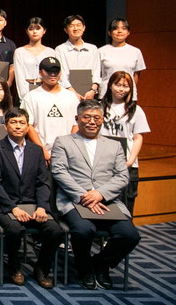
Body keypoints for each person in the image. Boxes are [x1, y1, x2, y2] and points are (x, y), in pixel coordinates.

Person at [50, 100, 141, 290]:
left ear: (102, 120)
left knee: (130, 235)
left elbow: (122, 176)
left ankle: (101, 263)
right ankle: (84, 269)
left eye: (96, 118)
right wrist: (84, 196)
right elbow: (59, 172)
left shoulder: (114, 145)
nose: (92, 122)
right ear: (77, 118)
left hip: (107, 201)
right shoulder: (63, 142)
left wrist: (100, 194)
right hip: (75, 200)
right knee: (83, 230)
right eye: (87, 117)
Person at [0, 107, 62, 288]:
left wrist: (42, 207)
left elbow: (43, 183)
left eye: (22, 123)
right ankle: (14, 267)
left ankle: (42, 268)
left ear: (28, 127)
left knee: (55, 230)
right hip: (4, 206)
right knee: (14, 229)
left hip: (33, 205)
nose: (18, 126)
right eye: (13, 122)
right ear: (5, 126)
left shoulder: (36, 151)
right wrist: (13, 208)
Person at [100, 71, 150, 216]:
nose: (121, 89)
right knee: (103, 205)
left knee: (125, 208)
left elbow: (138, 137)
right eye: (118, 85)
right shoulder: (100, 107)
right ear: (110, 85)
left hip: (127, 164)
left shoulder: (136, 110)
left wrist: (130, 161)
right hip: (103, 163)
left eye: (126, 86)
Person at [20, 57, 79, 164]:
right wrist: (42, 151)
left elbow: (76, 125)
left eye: (56, 71)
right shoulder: (31, 97)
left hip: (67, 155)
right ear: (40, 72)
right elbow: (28, 125)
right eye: (49, 71)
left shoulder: (71, 97)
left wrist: (68, 149)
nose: (53, 74)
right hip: (40, 155)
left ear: (60, 73)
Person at [55, 15, 101, 100]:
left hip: (90, 95)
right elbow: (61, 73)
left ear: (84, 28)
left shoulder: (93, 49)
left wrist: (93, 90)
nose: (75, 28)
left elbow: (97, 71)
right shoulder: (60, 49)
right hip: (67, 94)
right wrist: (71, 91)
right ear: (66, 30)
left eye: (78, 25)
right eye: (71, 26)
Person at [99, 18, 146, 100]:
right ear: (109, 32)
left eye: (124, 28)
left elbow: (136, 74)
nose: (119, 31)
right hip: (106, 94)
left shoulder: (135, 51)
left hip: (128, 95)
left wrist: (129, 88)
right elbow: (97, 74)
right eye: (115, 28)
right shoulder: (101, 51)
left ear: (128, 32)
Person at [13, 17, 57, 99]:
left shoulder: (51, 52)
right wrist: (25, 97)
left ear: (44, 31)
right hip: (27, 90)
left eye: (38, 28)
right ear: (27, 31)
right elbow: (19, 77)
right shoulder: (19, 52)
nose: (34, 32)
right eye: (31, 29)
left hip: (47, 90)